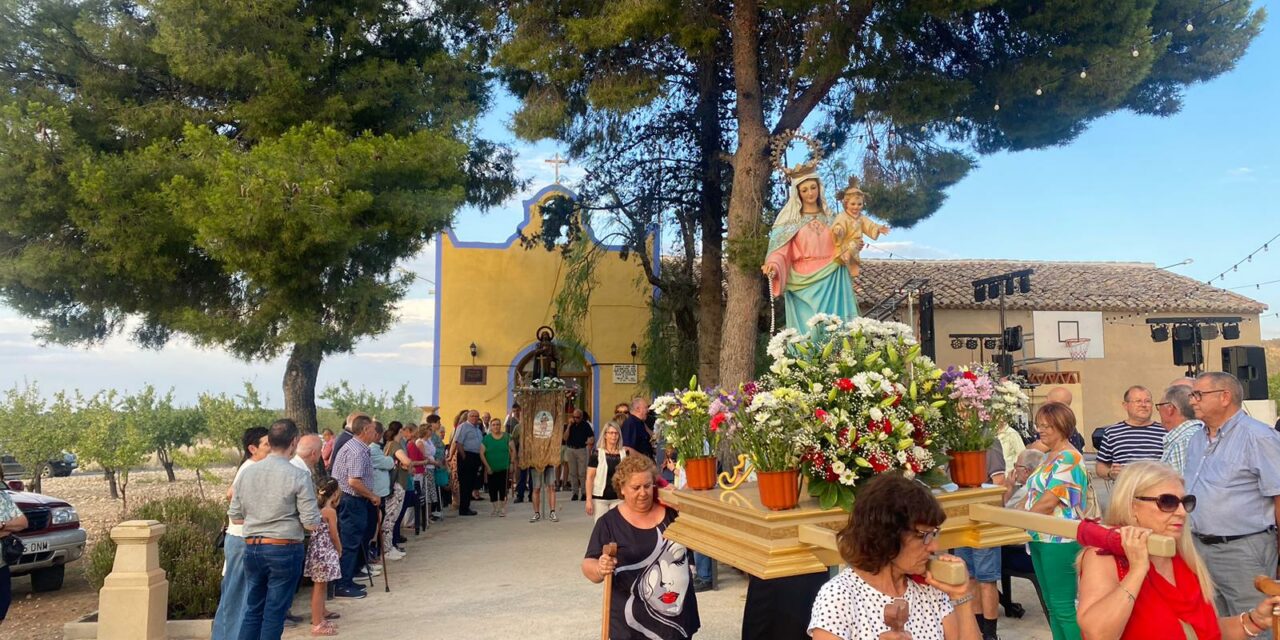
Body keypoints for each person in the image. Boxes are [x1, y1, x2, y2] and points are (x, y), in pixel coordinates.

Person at [1077, 461, 1280, 639]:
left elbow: (1202, 632)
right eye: (1167, 502)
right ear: (1132, 507)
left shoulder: (1181, 557)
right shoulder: (1103, 557)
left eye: (1185, 502)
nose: (1182, 512)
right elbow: (1098, 633)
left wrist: (1255, 621)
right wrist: (1138, 570)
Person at [808, 473, 979, 640]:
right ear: (887, 535)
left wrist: (960, 597)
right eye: (923, 535)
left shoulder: (929, 587)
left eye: (934, 534)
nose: (934, 546)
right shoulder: (839, 596)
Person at [1187, 372, 1280, 634]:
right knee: (1214, 625)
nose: (1192, 401)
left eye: (1198, 395)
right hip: (1198, 547)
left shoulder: (1258, 436)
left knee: (1258, 623)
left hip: (1243, 549)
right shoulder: (1197, 438)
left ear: (1224, 397)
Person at [584, 455, 700, 639]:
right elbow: (588, 563)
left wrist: (681, 500)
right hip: (631, 627)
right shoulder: (609, 523)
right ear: (622, 488)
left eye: (647, 486)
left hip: (677, 622)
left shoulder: (673, 514)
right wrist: (600, 568)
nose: (643, 493)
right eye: (636, 488)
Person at [227, 418, 321, 640]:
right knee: (274, 613)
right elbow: (311, 523)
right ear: (294, 442)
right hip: (283, 547)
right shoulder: (298, 475)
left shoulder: (247, 472)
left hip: (252, 547)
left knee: (253, 609)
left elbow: (236, 516)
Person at [1019, 402, 1089, 640]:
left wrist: (1019, 520)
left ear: (1063, 426)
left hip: (1059, 540)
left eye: (1048, 426)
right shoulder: (1048, 456)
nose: (1042, 430)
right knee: (1051, 605)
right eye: (1040, 426)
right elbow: (1031, 496)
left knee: (1063, 606)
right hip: (1039, 537)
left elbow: (1049, 501)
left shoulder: (1070, 458)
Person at [761, 168, 858, 334]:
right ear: (797, 193)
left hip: (833, 276)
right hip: (802, 282)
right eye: (804, 190)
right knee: (809, 334)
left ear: (819, 188)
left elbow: (846, 243)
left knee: (836, 330)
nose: (810, 193)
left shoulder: (831, 218)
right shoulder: (790, 222)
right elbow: (781, 251)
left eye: (813, 187)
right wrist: (773, 265)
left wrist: (851, 247)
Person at [212, 426, 271, 640]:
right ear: (252, 448)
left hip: (246, 539)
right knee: (236, 596)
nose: (271, 448)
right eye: (266, 444)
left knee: (244, 596)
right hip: (240, 539)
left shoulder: (256, 467)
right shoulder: (248, 469)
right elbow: (231, 495)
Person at [952, 441, 1006, 640]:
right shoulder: (954, 438)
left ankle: (991, 635)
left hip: (984, 519)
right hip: (961, 518)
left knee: (986, 577)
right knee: (969, 577)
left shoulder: (987, 440)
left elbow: (999, 480)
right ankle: (977, 630)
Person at [330, 415, 379, 599]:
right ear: (365, 430)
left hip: (350, 500)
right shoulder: (357, 451)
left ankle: (347, 579)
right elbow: (354, 481)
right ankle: (342, 584)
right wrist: (372, 495)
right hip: (351, 500)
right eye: (373, 430)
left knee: (353, 540)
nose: (376, 434)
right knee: (350, 542)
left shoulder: (355, 446)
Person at [1095, 386, 1164, 482]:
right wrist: (1110, 473)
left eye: (1147, 401)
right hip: (1125, 493)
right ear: (1125, 405)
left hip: (1158, 491)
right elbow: (1100, 466)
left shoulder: (1165, 431)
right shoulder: (1112, 433)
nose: (1143, 405)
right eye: (1138, 401)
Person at [305, 478, 343, 637]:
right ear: (334, 494)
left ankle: (320, 617)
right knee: (320, 588)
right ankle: (316, 623)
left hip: (315, 550)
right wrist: (339, 549)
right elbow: (333, 534)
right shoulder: (330, 512)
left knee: (320, 586)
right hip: (326, 551)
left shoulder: (314, 509)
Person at [0, 469, 28, 626]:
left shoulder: (3, 498)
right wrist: (8, 530)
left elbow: (23, 523)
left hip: (1, 563)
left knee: (3, 603)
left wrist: (4, 525)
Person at [586, 419, 627, 522]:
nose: (614, 436)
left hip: (618, 498)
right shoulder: (597, 454)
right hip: (601, 498)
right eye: (611, 433)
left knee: (618, 528)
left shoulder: (624, 454)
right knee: (601, 528)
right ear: (605, 435)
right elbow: (590, 478)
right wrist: (589, 500)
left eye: (616, 433)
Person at [1157, 384, 1203, 475]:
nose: (1159, 411)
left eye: (1159, 406)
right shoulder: (1200, 434)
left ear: (1170, 408)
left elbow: (1185, 485)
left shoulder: (1183, 441)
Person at [449, 410, 484, 516]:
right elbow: (458, 442)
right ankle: (463, 509)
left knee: (471, 483)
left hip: (475, 456)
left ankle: (467, 506)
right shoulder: (463, 427)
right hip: (467, 456)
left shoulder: (477, 429)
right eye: (472, 416)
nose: (474, 418)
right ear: (468, 417)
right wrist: (464, 457)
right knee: (465, 483)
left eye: (476, 416)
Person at [481, 417, 515, 516]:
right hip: (491, 469)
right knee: (493, 489)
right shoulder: (486, 438)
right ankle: (495, 509)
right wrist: (487, 467)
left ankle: (502, 509)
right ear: (491, 427)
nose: (496, 426)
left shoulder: (507, 437)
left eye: (498, 424)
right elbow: (481, 453)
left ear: (501, 426)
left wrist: (512, 463)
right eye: (494, 425)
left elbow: (513, 451)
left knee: (503, 489)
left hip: (504, 467)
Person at [564, 408, 594, 501]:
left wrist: (589, 442)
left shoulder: (585, 425)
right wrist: (569, 426)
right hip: (571, 449)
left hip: (581, 450)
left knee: (582, 473)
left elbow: (592, 437)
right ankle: (575, 493)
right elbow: (565, 438)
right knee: (573, 473)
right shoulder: (570, 425)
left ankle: (584, 493)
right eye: (574, 417)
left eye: (577, 417)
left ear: (581, 417)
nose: (575, 419)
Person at [507, 402, 530, 503]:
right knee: (522, 475)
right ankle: (520, 495)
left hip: (533, 454)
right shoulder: (517, 427)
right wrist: (514, 453)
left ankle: (532, 495)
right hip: (522, 453)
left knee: (533, 475)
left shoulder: (534, 426)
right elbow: (513, 440)